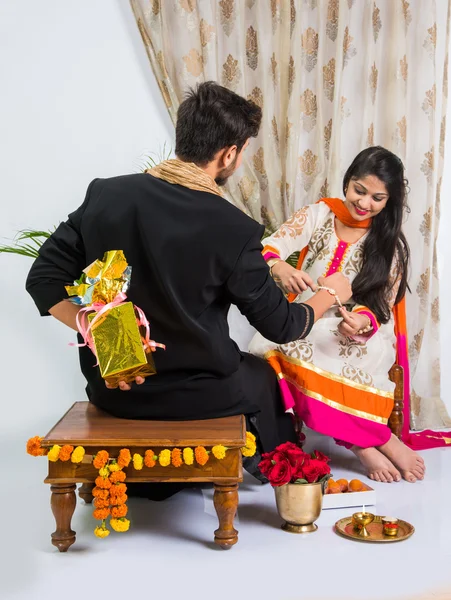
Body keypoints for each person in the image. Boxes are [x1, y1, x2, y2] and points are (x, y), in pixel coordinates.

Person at [26, 81, 352, 494]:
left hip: (118, 389)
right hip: (199, 393)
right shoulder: (232, 228)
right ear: (229, 154)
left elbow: (43, 279)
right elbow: (282, 326)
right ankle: (291, 482)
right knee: (262, 377)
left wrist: (107, 338)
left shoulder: (107, 195)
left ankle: (160, 481)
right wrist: (330, 294)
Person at [249, 146, 426, 484]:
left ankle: (365, 439)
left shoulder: (388, 244)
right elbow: (271, 245)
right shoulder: (319, 215)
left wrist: (360, 322)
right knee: (270, 347)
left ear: (388, 202)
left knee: (311, 344)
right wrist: (279, 265)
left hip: (358, 333)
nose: (364, 203)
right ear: (347, 183)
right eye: (359, 190)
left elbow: (381, 307)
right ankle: (369, 441)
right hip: (307, 317)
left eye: (377, 198)